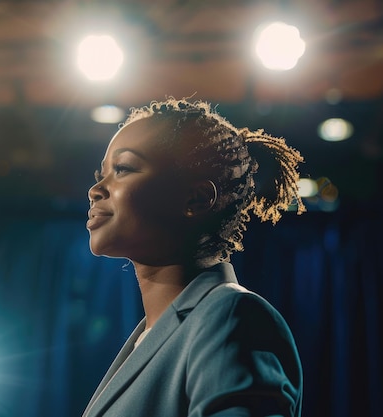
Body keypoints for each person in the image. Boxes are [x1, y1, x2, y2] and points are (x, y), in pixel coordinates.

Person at [83, 97, 304, 417]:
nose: (97, 189)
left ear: (197, 198)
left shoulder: (231, 316)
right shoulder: (148, 339)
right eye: (101, 174)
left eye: (123, 168)